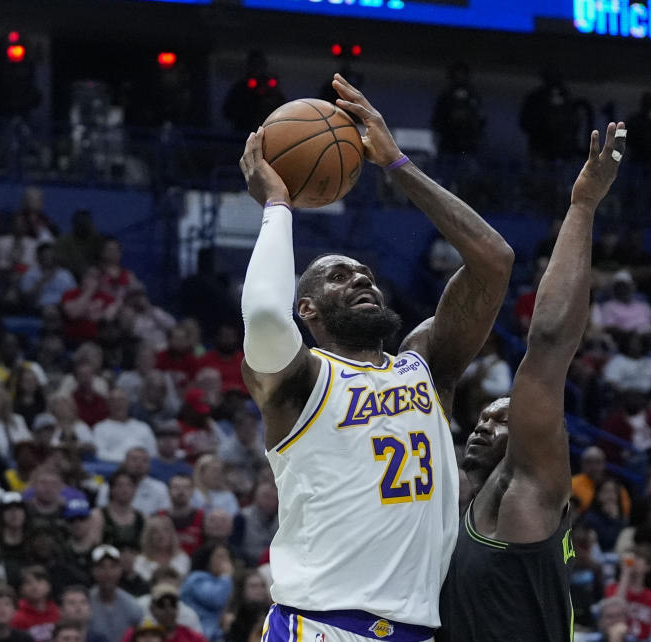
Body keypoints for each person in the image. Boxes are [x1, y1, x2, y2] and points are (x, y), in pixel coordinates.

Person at [240, 72, 513, 641]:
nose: (362, 280)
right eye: (340, 277)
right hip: (318, 626)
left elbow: (494, 260)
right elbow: (266, 315)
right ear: (308, 310)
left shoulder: (426, 363)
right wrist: (276, 205)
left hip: (414, 631)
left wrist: (398, 166)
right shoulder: (301, 381)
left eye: (366, 274)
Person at [436, 122, 625, 640]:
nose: (483, 426)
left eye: (501, 420)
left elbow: (548, 344)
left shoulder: (524, 494)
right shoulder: (456, 510)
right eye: (482, 418)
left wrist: (582, 206)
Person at [89, 545, 144, 642]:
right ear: (94, 571)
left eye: (112, 566)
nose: (107, 572)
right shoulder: (85, 603)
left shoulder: (132, 605)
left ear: (120, 570)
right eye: (102, 567)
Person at [179, 543, 233, 642]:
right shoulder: (196, 579)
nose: (225, 561)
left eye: (227, 556)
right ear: (208, 559)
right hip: (196, 634)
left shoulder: (222, 582)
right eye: (220, 556)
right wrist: (225, 576)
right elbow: (216, 599)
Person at [97, 447, 170, 516]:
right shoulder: (108, 487)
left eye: (144, 460)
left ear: (149, 465)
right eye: (134, 459)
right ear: (125, 462)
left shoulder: (160, 487)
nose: (139, 463)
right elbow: (102, 513)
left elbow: (164, 514)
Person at [123, 582, 207, 642]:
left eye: (173, 604)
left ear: (178, 608)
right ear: (152, 608)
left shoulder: (192, 638)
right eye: (161, 604)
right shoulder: (136, 635)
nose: (168, 610)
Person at [93, 390, 157, 462]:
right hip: (114, 469)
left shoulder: (143, 427)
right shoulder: (100, 428)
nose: (118, 404)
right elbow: (100, 453)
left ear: (128, 403)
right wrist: (129, 461)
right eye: (113, 400)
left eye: (121, 400)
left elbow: (153, 453)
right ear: (108, 404)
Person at [230, 480, 278, 566]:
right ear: (256, 497)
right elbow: (235, 549)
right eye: (266, 496)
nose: (269, 501)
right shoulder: (242, 518)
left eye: (273, 498)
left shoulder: (282, 521)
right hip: (249, 565)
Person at [133, 515, 191, 584]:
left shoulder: (182, 558)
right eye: (155, 531)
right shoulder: (141, 561)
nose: (161, 535)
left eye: (165, 530)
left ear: (172, 534)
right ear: (149, 536)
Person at [10, 566, 61, 642]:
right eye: (28, 583)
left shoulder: (59, 612)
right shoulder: (15, 616)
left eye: (39, 581)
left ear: (48, 586)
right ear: (21, 590)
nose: (34, 586)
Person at [98, 469, 145, 550]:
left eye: (129, 485)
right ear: (111, 489)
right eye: (120, 485)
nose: (125, 489)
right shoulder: (98, 516)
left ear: (135, 490)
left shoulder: (141, 518)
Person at [164, 475, 205, 556]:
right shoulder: (159, 517)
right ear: (168, 491)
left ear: (193, 491)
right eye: (176, 487)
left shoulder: (203, 518)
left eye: (186, 487)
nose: (181, 491)